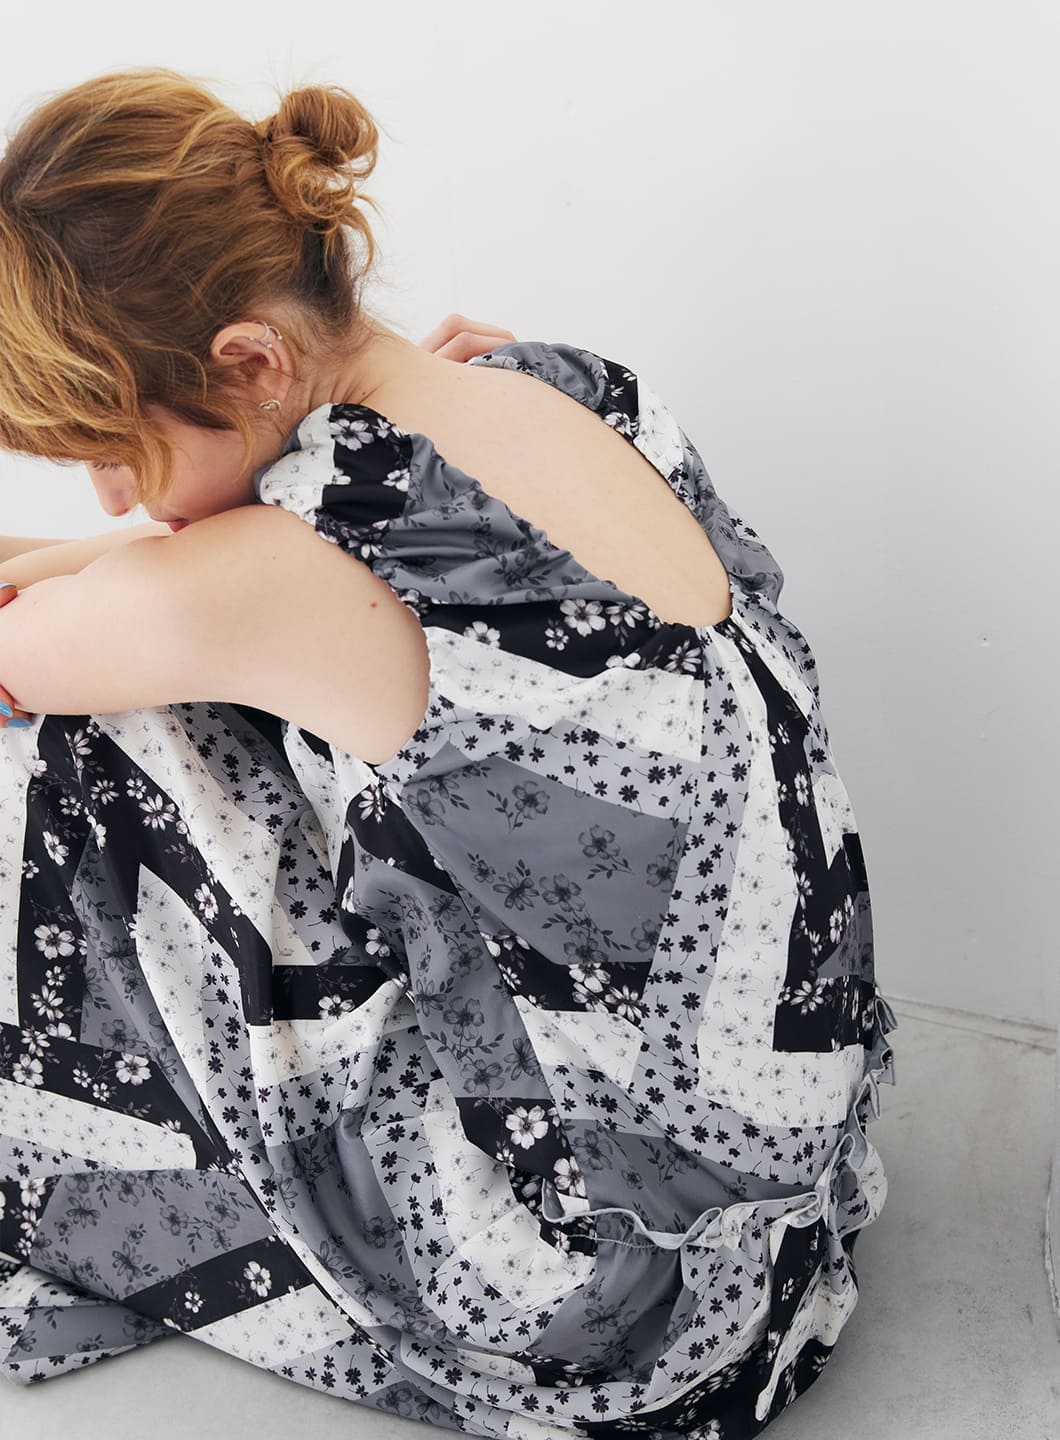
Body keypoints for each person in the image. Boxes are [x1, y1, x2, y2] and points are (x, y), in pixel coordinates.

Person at [0, 67, 897, 1440]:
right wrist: (129, 548)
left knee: (78, 750)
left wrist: (119, 569)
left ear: (253, 363)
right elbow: (174, 573)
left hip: (613, 1296)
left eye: (109, 449)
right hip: (762, 1202)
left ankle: (84, 1156)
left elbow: (42, 644)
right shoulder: (546, 384)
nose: (107, 491)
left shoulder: (280, 572)